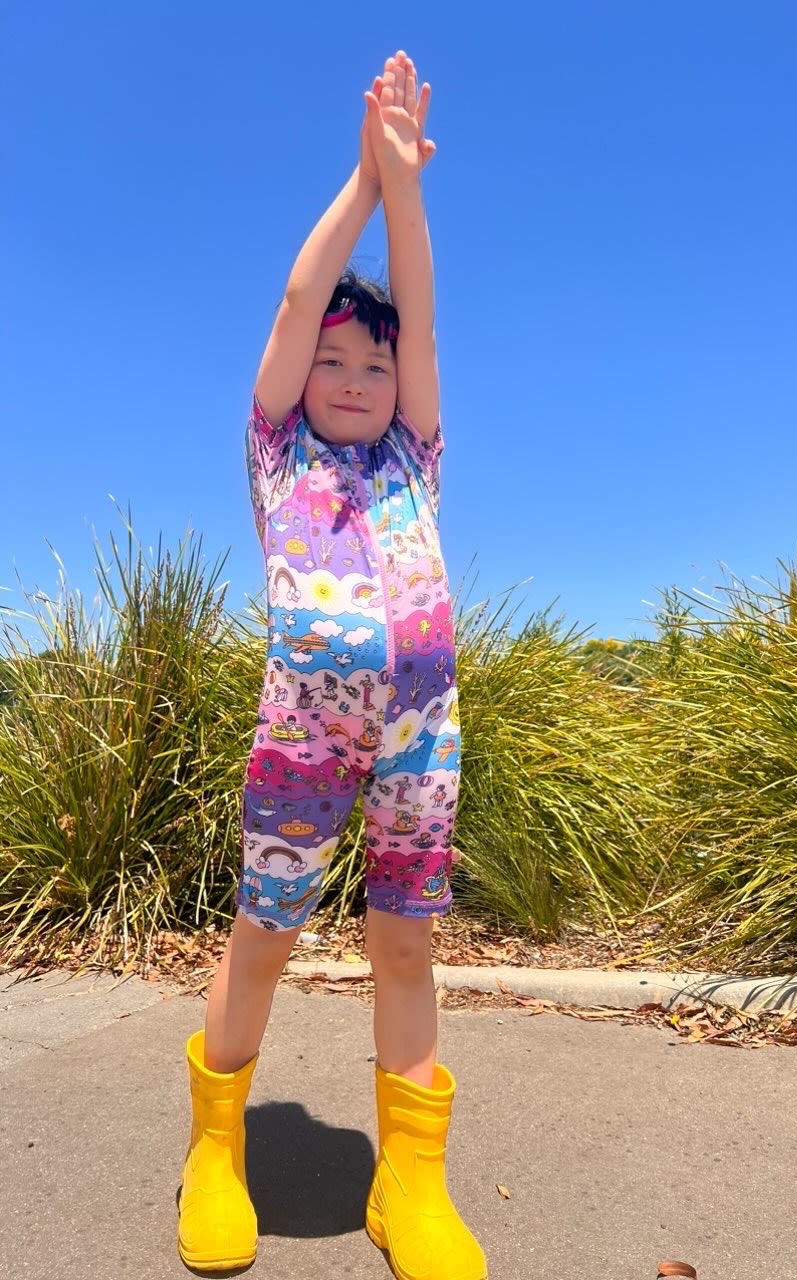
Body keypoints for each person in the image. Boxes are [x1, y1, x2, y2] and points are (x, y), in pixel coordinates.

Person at [177, 51, 485, 1280]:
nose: (354, 379)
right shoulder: (276, 455)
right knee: (263, 930)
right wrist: (357, 185)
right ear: (300, 380)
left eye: (375, 363)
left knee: (406, 940)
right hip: (305, 732)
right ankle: (215, 1149)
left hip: (424, 729)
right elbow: (302, 298)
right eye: (336, 363)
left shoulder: (415, 455)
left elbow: (414, 298)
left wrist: (406, 190)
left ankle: (411, 1178)